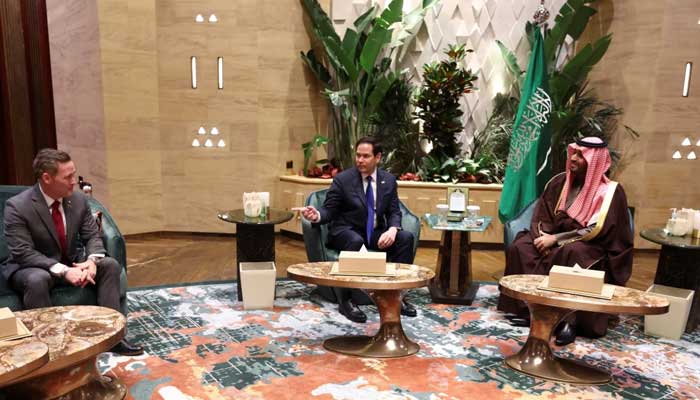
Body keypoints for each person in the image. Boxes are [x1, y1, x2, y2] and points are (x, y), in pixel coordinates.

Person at [3, 149, 144, 356]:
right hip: (30, 266)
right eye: (67, 177)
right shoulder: (18, 206)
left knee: (109, 265)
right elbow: (23, 252)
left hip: (71, 261)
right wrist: (64, 271)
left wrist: (91, 261)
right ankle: (49, 346)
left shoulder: (78, 201)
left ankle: (113, 338)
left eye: (73, 174)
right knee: (37, 279)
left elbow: (92, 236)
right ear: (46, 178)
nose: (74, 182)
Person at [497, 137, 633, 345]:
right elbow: (542, 215)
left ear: (594, 160)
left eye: (581, 155)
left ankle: (569, 321)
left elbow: (596, 229)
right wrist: (542, 238)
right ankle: (528, 311)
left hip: (591, 243)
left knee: (574, 254)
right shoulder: (560, 182)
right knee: (521, 247)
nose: (574, 158)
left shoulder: (610, 192)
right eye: (574, 153)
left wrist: (555, 240)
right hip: (553, 237)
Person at [301, 137, 417, 323]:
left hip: (374, 232)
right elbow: (329, 209)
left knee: (405, 238)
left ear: (377, 157)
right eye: (358, 155)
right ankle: (346, 300)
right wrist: (317, 216)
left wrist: (393, 229)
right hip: (345, 231)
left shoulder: (388, 180)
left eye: (365, 156)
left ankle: (396, 296)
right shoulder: (343, 179)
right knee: (355, 241)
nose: (360, 160)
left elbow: (395, 211)